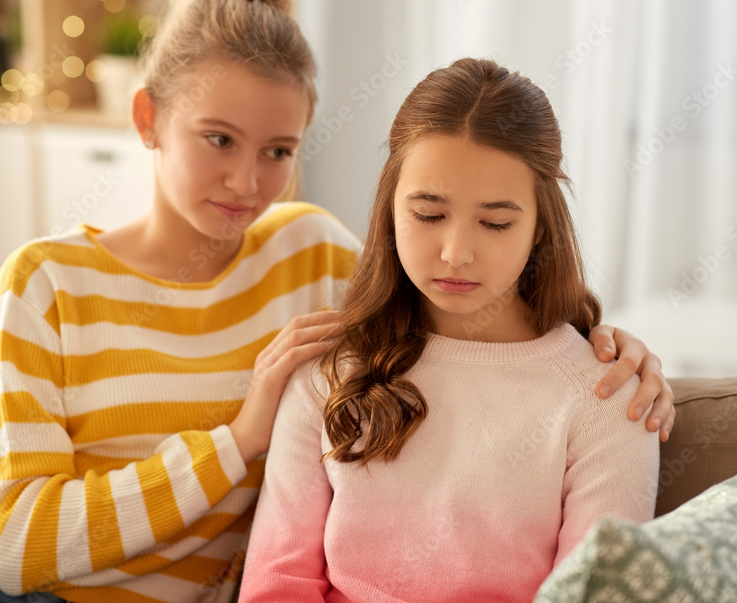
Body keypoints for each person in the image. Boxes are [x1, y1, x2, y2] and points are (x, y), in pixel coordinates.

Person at [0, 0, 673, 603]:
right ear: (148, 118)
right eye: (217, 138)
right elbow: (9, 544)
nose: (246, 182)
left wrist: (613, 345)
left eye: (278, 152)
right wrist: (238, 440)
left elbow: (457, 296)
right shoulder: (44, 280)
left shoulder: (312, 257)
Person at [239, 58, 663, 602]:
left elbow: (595, 595)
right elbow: (276, 587)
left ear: (540, 227)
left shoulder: (608, 398)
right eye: (428, 214)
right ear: (390, 211)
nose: (456, 253)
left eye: (495, 223)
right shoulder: (327, 374)